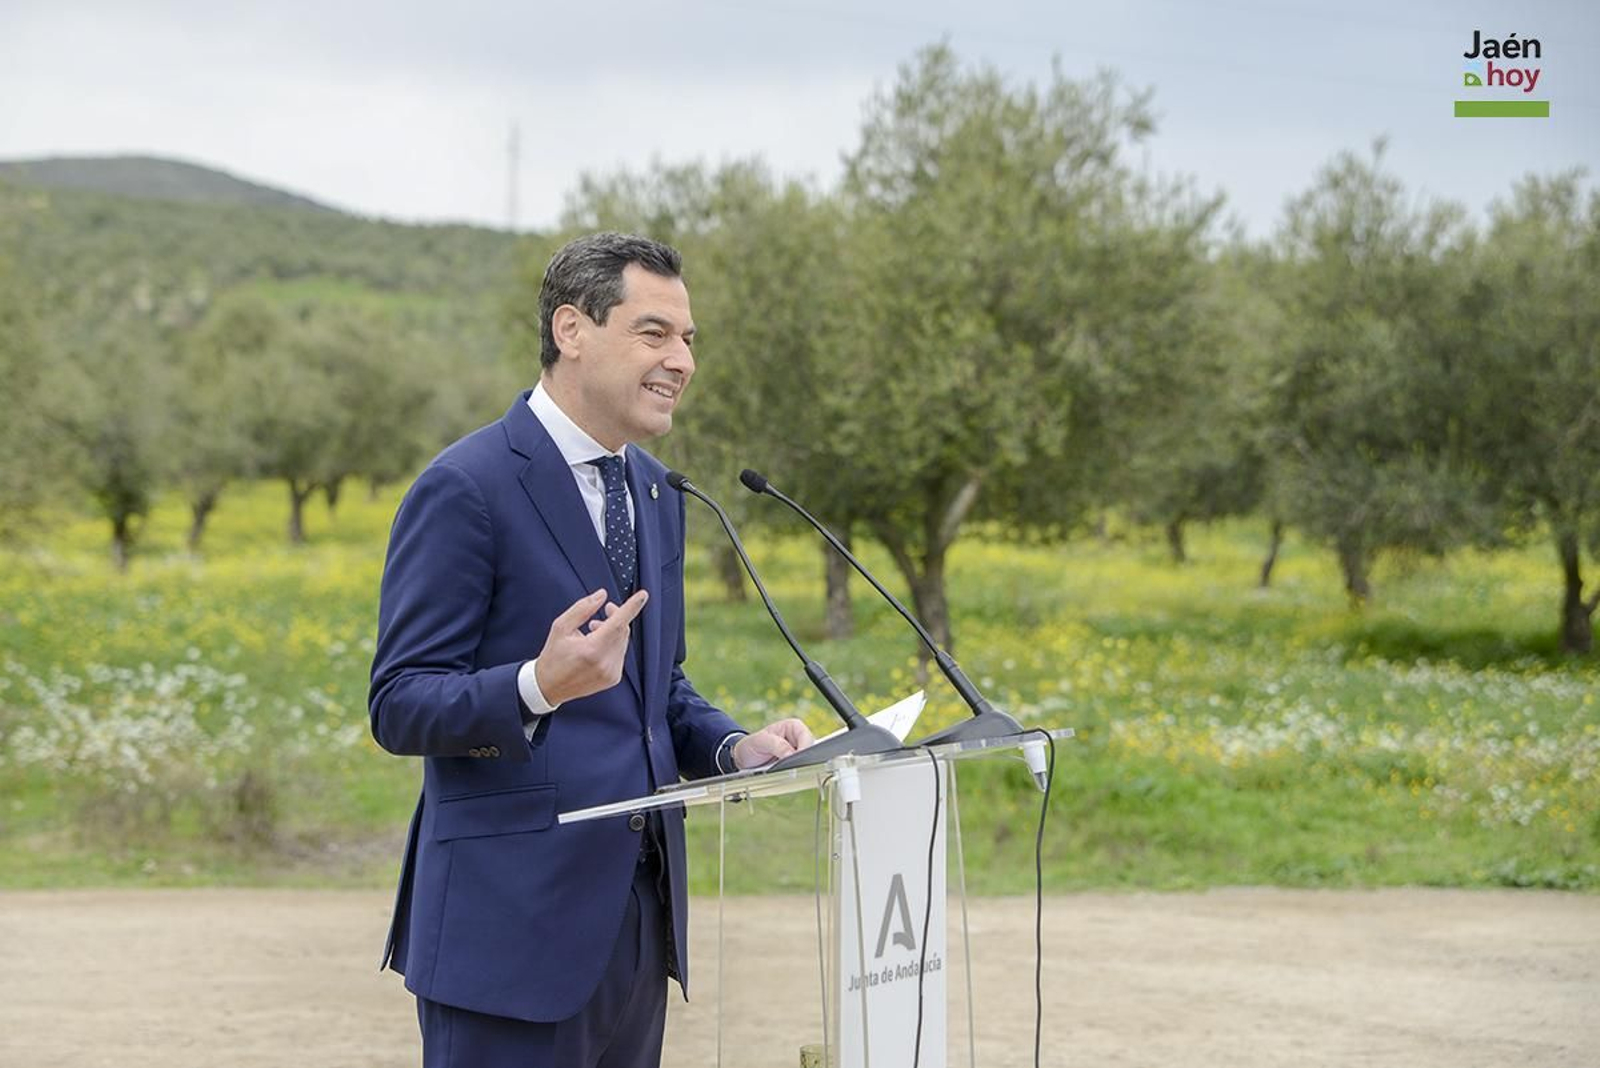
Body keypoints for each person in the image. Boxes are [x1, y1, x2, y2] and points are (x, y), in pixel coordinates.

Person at [369, 232, 814, 1068]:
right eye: (655, 333)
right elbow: (398, 703)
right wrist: (535, 686)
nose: (682, 360)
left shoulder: (657, 492)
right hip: (508, 938)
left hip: (639, 929)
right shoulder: (466, 486)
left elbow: (658, 688)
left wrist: (732, 747)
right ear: (571, 329)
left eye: (688, 340)